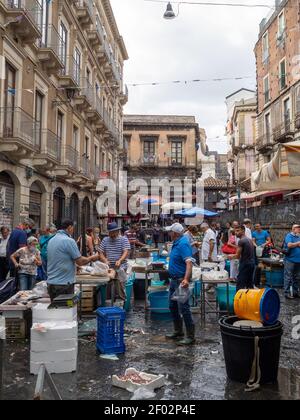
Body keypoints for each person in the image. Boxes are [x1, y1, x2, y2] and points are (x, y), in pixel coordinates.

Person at [47, 219, 100, 302]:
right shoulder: (68, 241)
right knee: (66, 310)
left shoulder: (51, 240)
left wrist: (74, 266)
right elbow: (80, 261)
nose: (73, 230)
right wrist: (93, 257)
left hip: (51, 283)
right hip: (64, 285)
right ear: (70, 227)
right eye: (73, 228)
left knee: (55, 311)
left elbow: (59, 259)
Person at [165, 223, 195, 346]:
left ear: (175, 233)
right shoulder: (177, 242)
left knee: (184, 308)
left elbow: (189, 263)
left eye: (170, 231)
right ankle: (178, 331)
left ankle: (190, 336)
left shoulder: (183, 243)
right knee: (172, 306)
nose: (169, 233)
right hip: (173, 280)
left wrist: (186, 279)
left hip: (181, 281)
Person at [98, 223, 131, 302]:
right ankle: (109, 302)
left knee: (119, 284)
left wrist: (119, 260)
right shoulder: (105, 240)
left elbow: (126, 251)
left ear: (117, 231)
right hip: (109, 267)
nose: (111, 234)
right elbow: (100, 252)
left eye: (113, 232)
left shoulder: (123, 239)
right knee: (108, 285)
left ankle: (122, 301)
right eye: (110, 232)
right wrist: (105, 260)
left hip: (121, 266)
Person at [228, 225, 255, 291]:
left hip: (245, 264)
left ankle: (238, 300)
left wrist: (230, 256)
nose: (236, 233)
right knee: (249, 283)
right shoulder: (249, 239)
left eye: (238, 231)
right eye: (235, 231)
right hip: (251, 263)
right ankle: (250, 299)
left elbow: (237, 256)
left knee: (240, 284)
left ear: (243, 231)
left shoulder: (241, 241)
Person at [283, 225, 300, 300]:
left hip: (298, 260)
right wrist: (298, 243)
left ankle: (295, 292)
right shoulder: (289, 236)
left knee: (296, 277)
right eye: (298, 228)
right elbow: (289, 245)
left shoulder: (299, 236)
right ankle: (286, 293)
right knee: (288, 277)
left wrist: (296, 244)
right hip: (290, 260)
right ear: (294, 229)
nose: (299, 229)